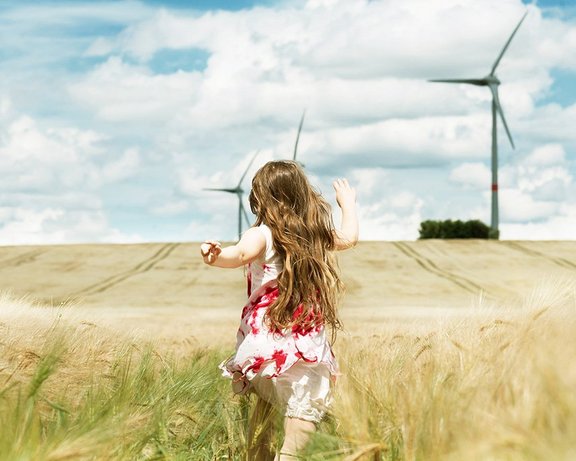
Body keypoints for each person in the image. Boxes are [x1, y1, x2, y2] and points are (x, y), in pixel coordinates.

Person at [200, 160, 358, 460]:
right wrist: (347, 205)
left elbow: (240, 253)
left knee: (267, 412)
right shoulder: (312, 235)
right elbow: (349, 238)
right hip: (299, 348)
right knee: (302, 417)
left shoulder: (262, 233)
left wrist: (216, 256)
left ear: (259, 198)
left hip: (261, 349)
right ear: (302, 194)